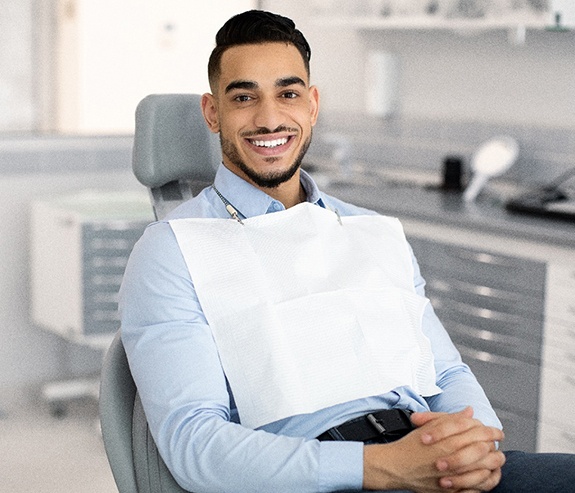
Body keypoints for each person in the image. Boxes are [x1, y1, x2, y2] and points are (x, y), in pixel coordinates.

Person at [119, 9, 575, 493]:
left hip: (431, 464)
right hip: (323, 478)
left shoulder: (369, 229)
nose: (269, 117)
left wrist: (476, 445)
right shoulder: (172, 251)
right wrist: (380, 468)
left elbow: (445, 371)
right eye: (244, 97)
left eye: (288, 94)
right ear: (213, 113)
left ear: (312, 105)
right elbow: (195, 445)